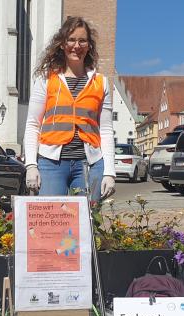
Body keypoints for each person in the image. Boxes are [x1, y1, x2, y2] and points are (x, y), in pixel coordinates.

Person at [23, 16, 116, 202]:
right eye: (71, 40)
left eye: (82, 41)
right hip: (51, 163)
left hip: (89, 164)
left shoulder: (100, 82)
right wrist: (31, 165)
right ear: (62, 44)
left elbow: (106, 130)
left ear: (89, 46)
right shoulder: (46, 79)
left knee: (88, 218)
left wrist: (109, 172)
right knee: (51, 216)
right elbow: (33, 124)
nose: (77, 46)